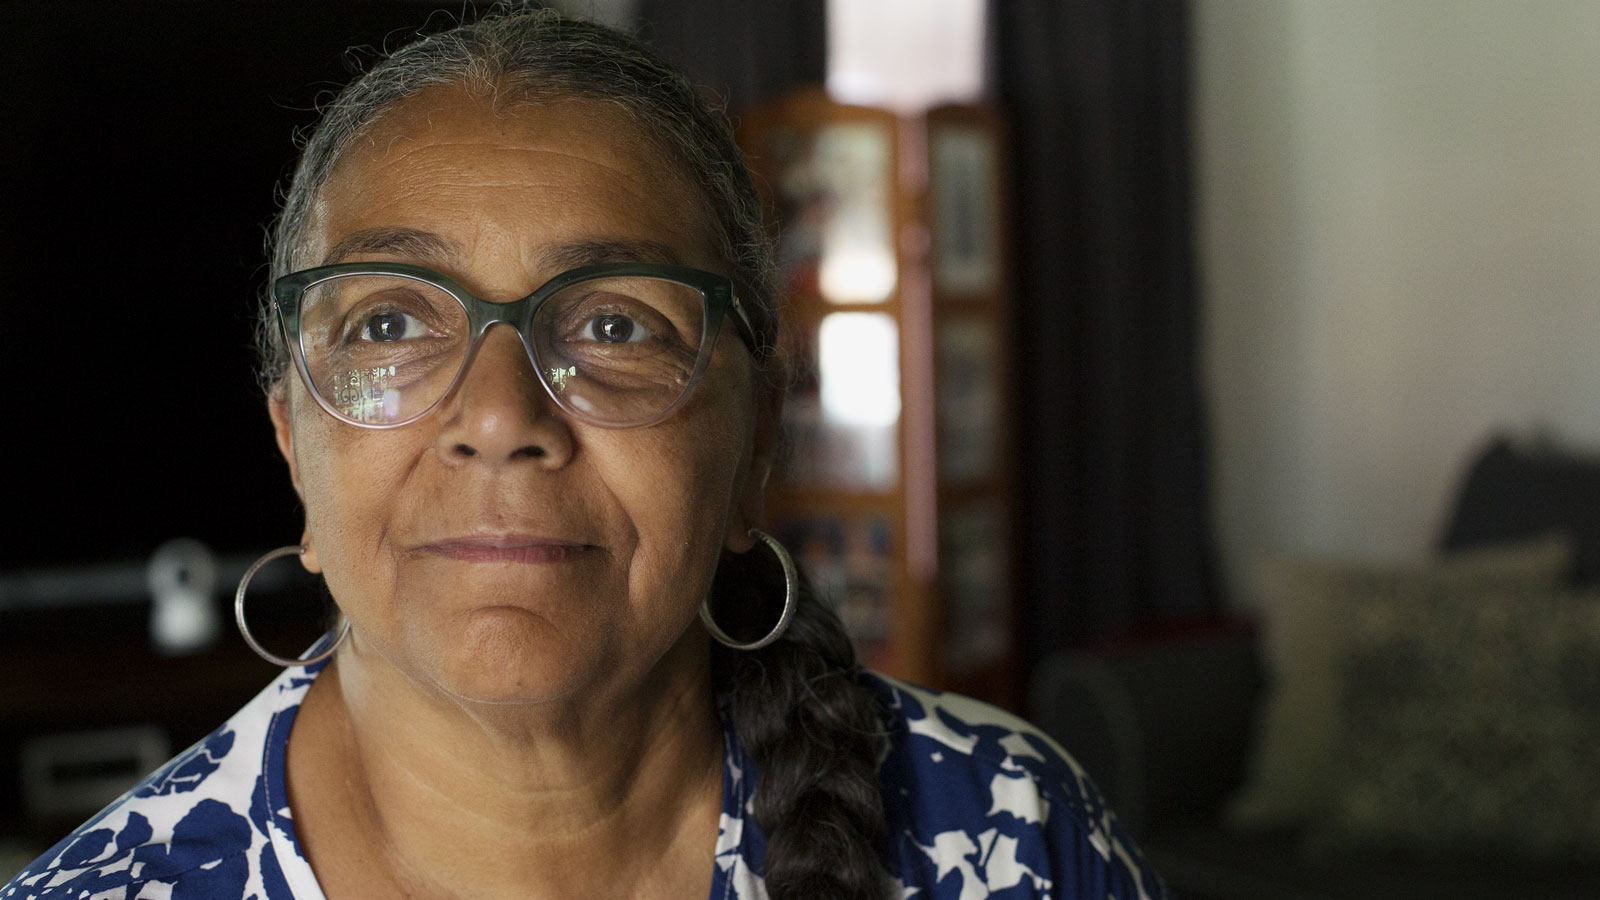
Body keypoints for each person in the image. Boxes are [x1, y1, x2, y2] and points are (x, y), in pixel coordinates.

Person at [3, 9, 1167, 900]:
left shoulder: (1013, 834)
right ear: (292, 444)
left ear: (756, 439)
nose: (500, 414)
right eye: (392, 323)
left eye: (614, 326)